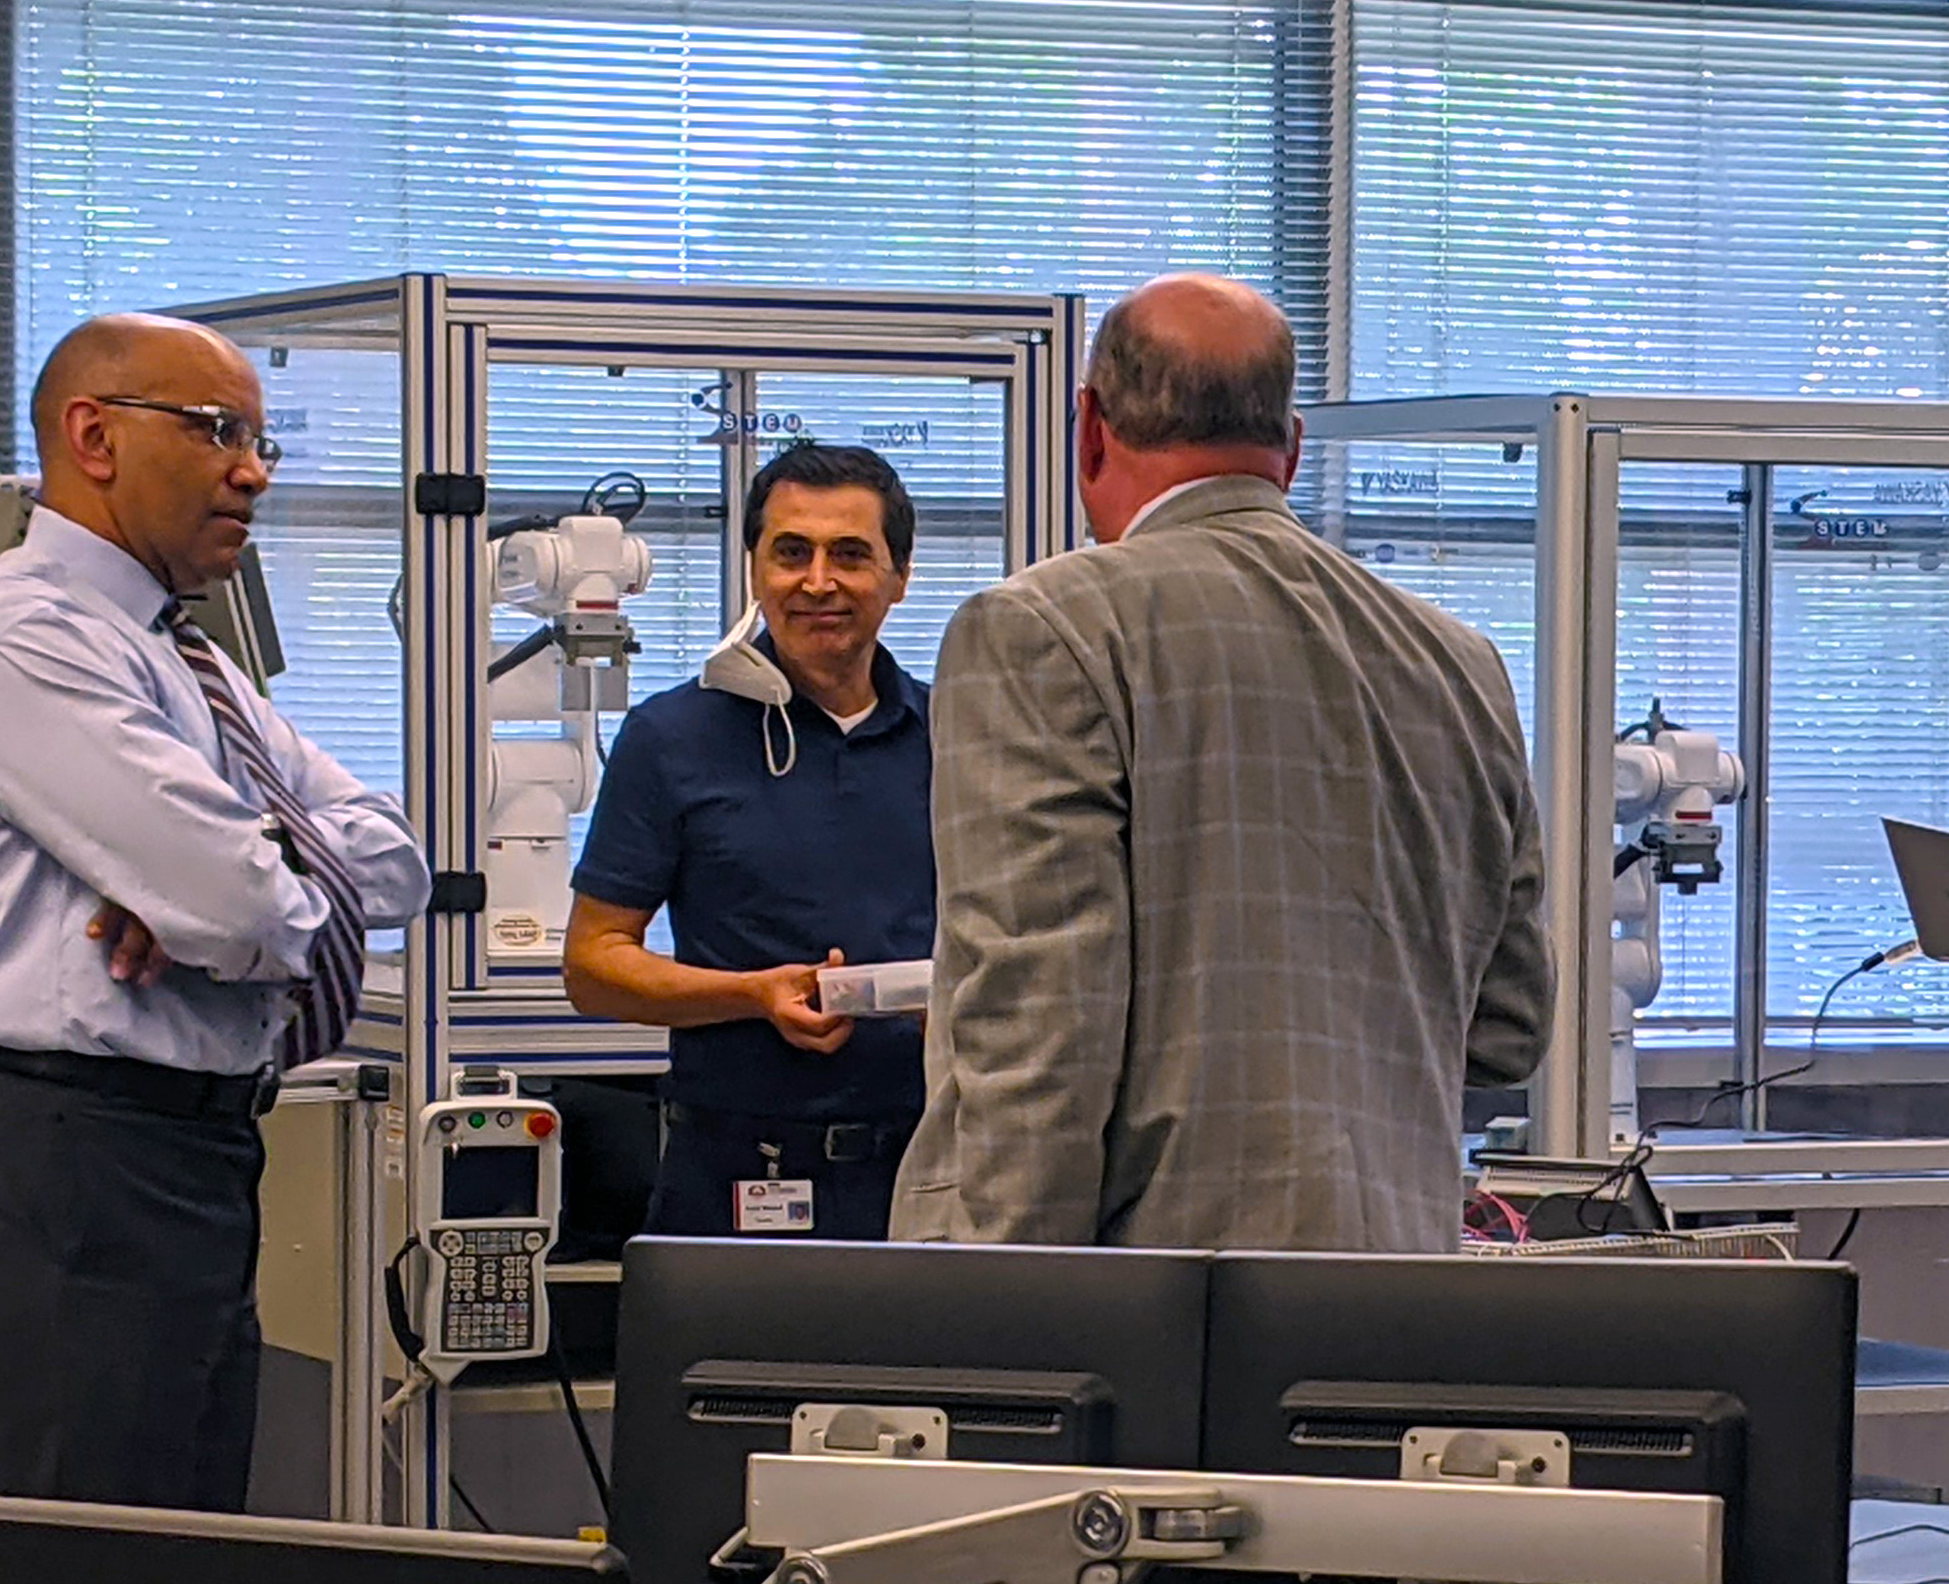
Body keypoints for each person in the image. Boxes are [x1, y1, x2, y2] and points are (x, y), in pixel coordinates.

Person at [892, 273, 1549, 1249]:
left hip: (1155, 1307)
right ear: (1288, 450)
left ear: (1089, 429)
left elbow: (1039, 1044)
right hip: (1401, 1288)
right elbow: (1506, 1030)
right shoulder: (1459, 660)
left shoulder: (1043, 630)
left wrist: (991, 1332)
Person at [0, 312, 428, 1507]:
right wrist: (226, 886)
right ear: (94, 434)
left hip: (183, 1149)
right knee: (96, 1579)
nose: (255, 470)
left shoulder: (186, 657)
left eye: (262, 439)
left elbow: (399, 862)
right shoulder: (29, 637)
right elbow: (239, 904)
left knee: (183, 1557)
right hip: (69, 1151)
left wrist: (226, 878)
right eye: (219, 431)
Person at [561, 443, 933, 1239]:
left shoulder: (960, 736)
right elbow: (594, 968)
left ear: (899, 577)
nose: (818, 581)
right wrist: (752, 995)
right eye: (791, 553)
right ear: (755, 570)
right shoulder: (672, 737)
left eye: (851, 555)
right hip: (739, 1169)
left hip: (929, 1166)